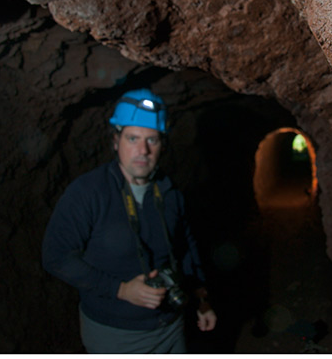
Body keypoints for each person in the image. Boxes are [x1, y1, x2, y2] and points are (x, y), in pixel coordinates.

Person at [42, 88, 217, 353]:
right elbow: (56, 256)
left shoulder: (169, 192)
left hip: (170, 328)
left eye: (152, 140)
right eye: (133, 138)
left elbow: (187, 248)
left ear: (162, 145)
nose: (143, 150)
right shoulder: (88, 193)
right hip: (114, 335)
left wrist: (201, 299)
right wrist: (121, 290)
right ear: (116, 140)